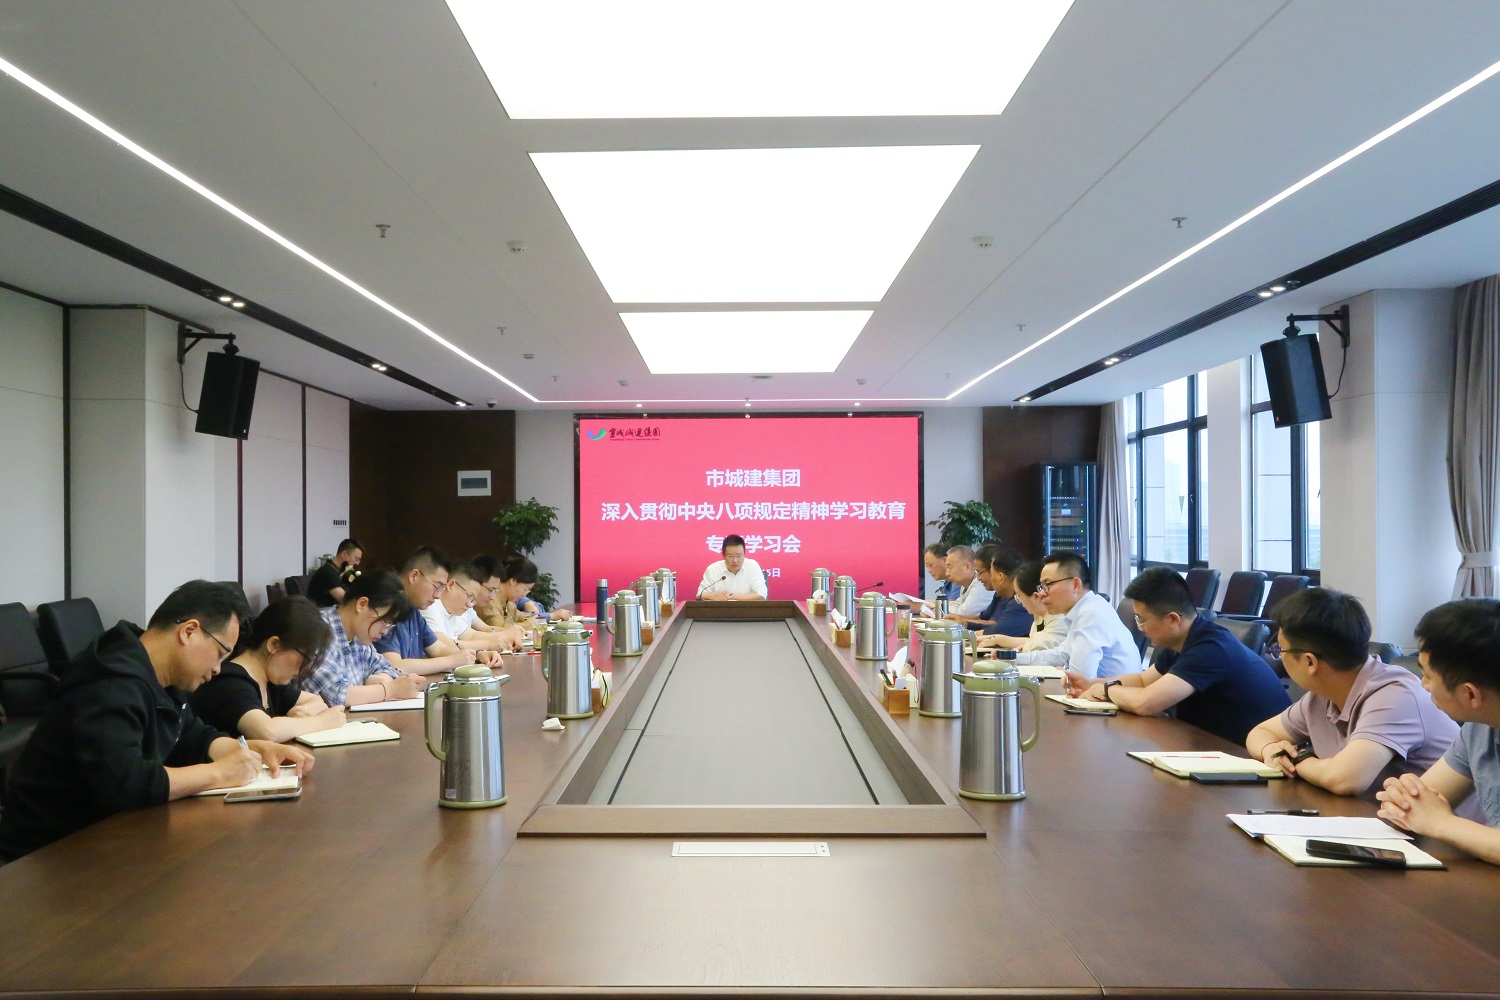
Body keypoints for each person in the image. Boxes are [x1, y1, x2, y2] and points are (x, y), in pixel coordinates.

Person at [0, 580, 314, 863]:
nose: (218, 669)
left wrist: (250, 750)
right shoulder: (110, 684)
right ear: (189, 631)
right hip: (47, 857)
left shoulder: (160, 673)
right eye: (220, 653)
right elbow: (125, 782)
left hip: (108, 841)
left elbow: (191, 734)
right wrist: (219, 773)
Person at [1246, 588, 1457, 796]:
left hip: (1434, 819)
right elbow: (1259, 733)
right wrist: (1271, 750)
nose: (1279, 657)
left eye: (1280, 650)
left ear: (1310, 662)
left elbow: (1344, 780)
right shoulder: (1321, 696)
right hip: (1371, 813)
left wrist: (1295, 758)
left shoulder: (1396, 696)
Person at [1068, 568, 1289, 744]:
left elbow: (1146, 703)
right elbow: (1143, 681)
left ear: (1173, 619)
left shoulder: (1211, 648)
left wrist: (1107, 690)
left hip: (1250, 755)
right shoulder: (1181, 640)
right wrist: (1090, 683)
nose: (1140, 628)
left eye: (1142, 620)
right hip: (1210, 744)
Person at [1376, 599, 1500, 863]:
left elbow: (1433, 819)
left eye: (1429, 676)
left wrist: (1440, 823)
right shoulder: (1480, 727)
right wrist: (1402, 800)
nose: (1423, 685)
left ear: (1470, 694)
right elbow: (1419, 801)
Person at [190, 595, 348, 740]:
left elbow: (317, 701)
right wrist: (321, 721)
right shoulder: (230, 681)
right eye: (304, 657)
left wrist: (302, 712)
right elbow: (267, 731)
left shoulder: (270, 681)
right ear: (274, 645)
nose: (305, 668)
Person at [302, 570, 426, 707]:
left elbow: (385, 668)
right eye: (385, 621)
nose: (385, 631)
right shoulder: (317, 632)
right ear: (362, 604)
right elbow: (334, 696)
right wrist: (390, 689)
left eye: (390, 625)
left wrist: (381, 680)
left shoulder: (359, 635)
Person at [1017, 551, 1140, 679]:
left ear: (1075, 585)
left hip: (1114, 691)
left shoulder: (1091, 614)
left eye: (1047, 585)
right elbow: (1062, 654)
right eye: (1041, 587)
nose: (1042, 593)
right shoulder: (1084, 609)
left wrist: (1065, 670)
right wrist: (1014, 658)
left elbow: (1080, 677)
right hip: (1100, 689)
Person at [375, 546, 491, 674]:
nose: (438, 596)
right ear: (414, 576)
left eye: (442, 589)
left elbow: (439, 649)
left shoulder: (413, 610)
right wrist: (451, 661)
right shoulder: (385, 606)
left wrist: (476, 655)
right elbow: (395, 666)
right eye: (437, 586)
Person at [423, 560, 525, 652]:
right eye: (469, 596)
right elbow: (441, 643)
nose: (469, 605)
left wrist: (505, 638)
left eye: (473, 599)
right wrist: (488, 644)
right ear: (451, 585)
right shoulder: (431, 606)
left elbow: (472, 635)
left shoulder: (453, 611)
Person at [977, 561, 1067, 653]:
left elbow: (1042, 644)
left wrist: (1000, 640)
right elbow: (1033, 640)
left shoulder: (1060, 617)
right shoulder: (1040, 617)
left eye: (1019, 595)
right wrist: (997, 639)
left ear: (1036, 596)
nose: (1019, 601)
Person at [968, 545, 1032, 636]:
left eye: (992, 574)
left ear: (1001, 577)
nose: (978, 578)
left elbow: (997, 630)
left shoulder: (1019, 602)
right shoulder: (1005, 596)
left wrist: (966, 632)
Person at [697, 534, 767, 601]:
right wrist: (714, 596)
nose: (735, 560)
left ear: (744, 554)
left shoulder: (752, 566)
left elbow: (761, 595)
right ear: (723, 555)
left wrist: (730, 598)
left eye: (739, 556)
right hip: (720, 609)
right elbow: (700, 594)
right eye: (731, 556)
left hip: (747, 609)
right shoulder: (713, 569)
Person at [940, 544, 995, 623]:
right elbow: (956, 608)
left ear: (967, 567)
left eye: (950, 567)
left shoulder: (981, 585)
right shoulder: (965, 584)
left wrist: (944, 611)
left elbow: (961, 614)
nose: (947, 573)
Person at [306, 537, 362, 607]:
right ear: (345, 554)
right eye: (356, 559)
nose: (357, 563)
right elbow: (346, 602)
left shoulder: (340, 572)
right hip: (318, 612)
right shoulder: (328, 572)